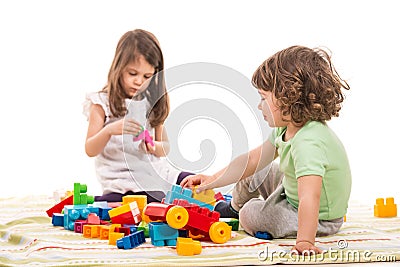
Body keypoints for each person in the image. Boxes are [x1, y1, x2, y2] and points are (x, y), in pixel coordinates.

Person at [181, 45, 351, 254]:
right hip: (292, 192)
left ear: (288, 98)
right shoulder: (287, 127)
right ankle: (233, 208)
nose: (259, 105)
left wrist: (305, 241)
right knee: (257, 170)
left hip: (319, 218)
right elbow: (253, 160)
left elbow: (310, 197)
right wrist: (211, 179)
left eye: (263, 98)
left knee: (250, 214)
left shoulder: (309, 143)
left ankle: (243, 211)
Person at [83, 29, 193, 203]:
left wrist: (153, 146)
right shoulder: (101, 103)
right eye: (132, 74)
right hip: (121, 183)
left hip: (155, 174)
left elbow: (165, 148)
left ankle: (221, 207)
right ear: (118, 68)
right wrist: (109, 131)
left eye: (147, 76)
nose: (139, 81)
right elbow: (90, 149)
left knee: (195, 183)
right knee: (131, 205)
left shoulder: (152, 102)